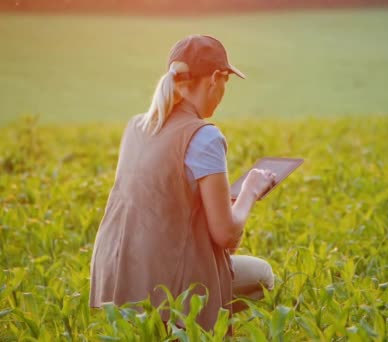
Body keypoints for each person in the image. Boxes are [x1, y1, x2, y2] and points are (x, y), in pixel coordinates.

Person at [89, 34, 277, 332]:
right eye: (227, 81)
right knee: (263, 275)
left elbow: (159, 199)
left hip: (116, 279)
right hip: (164, 284)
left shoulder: (136, 126)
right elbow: (227, 235)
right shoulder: (205, 136)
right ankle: (188, 328)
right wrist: (251, 191)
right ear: (215, 78)